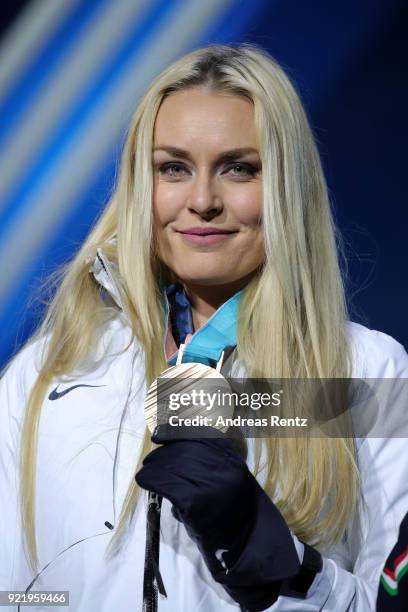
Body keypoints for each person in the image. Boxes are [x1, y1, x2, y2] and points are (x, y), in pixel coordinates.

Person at [0, 43, 407, 612]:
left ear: (287, 187)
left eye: (239, 168)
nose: (202, 200)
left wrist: (274, 563)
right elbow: (14, 595)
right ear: (143, 184)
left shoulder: (369, 376)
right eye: (174, 168)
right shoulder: (49, 374)